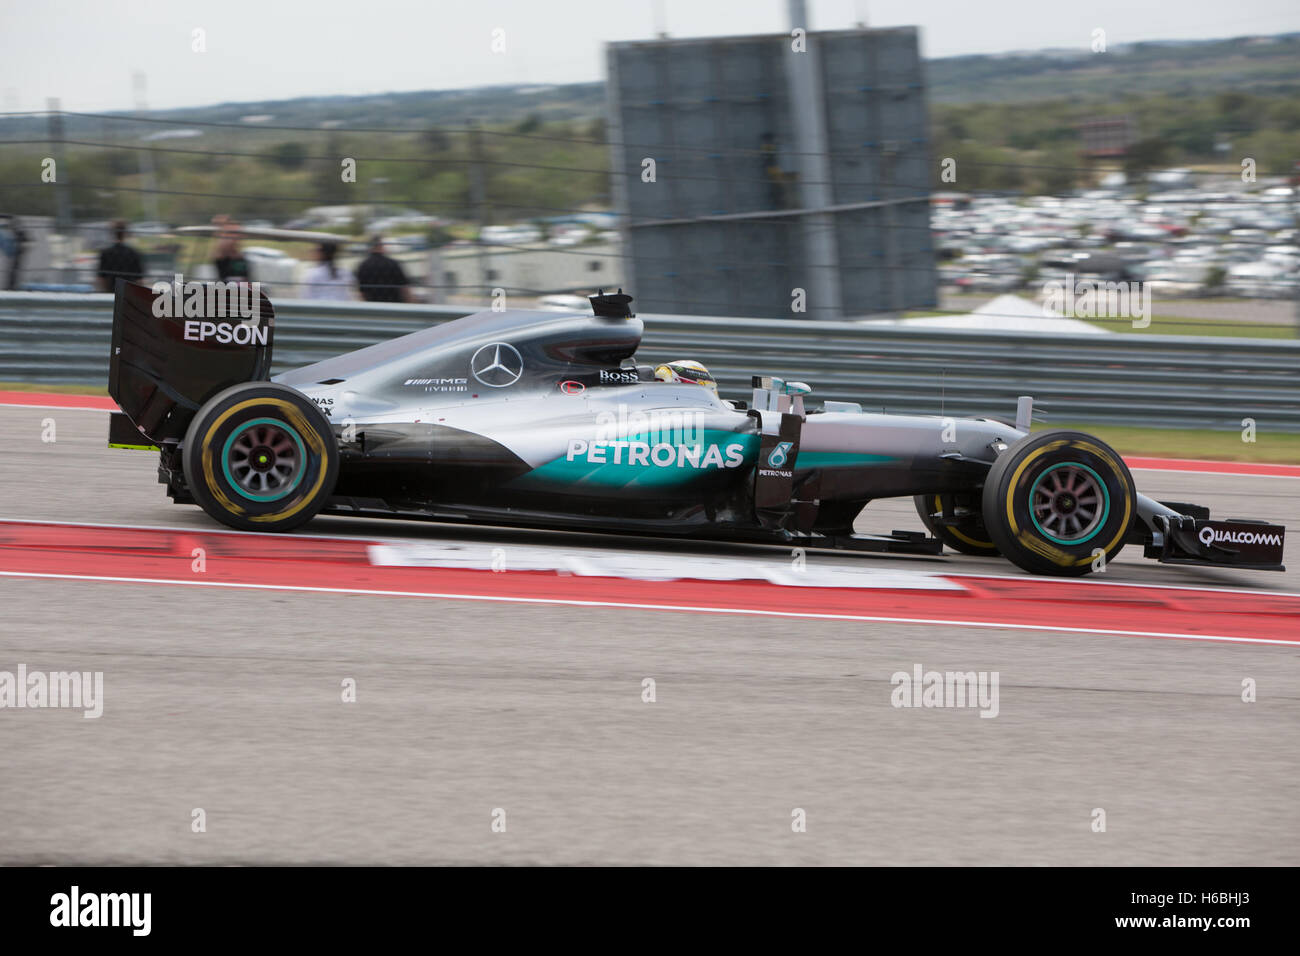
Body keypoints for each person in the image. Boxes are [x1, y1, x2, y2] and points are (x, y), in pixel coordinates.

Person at [355, 235, 411, 302]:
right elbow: (405, 290)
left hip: (374, 307)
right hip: (394, 305)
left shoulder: (363, 266)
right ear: (381, 246)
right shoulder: (393, 264)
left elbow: (361, 293)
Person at [96, 220, 145, 291]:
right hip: (129, 293)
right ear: (125, 233)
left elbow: (102, 278)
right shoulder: (133, 253)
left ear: (113, 233)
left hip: (112, 291)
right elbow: (139, 279)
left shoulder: (106, 253)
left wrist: (106, 291)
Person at [213, 217, 251, 282]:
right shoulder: (221, 256)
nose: (237, 236)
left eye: (238, 233)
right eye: (233, 233)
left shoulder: (242, 257)